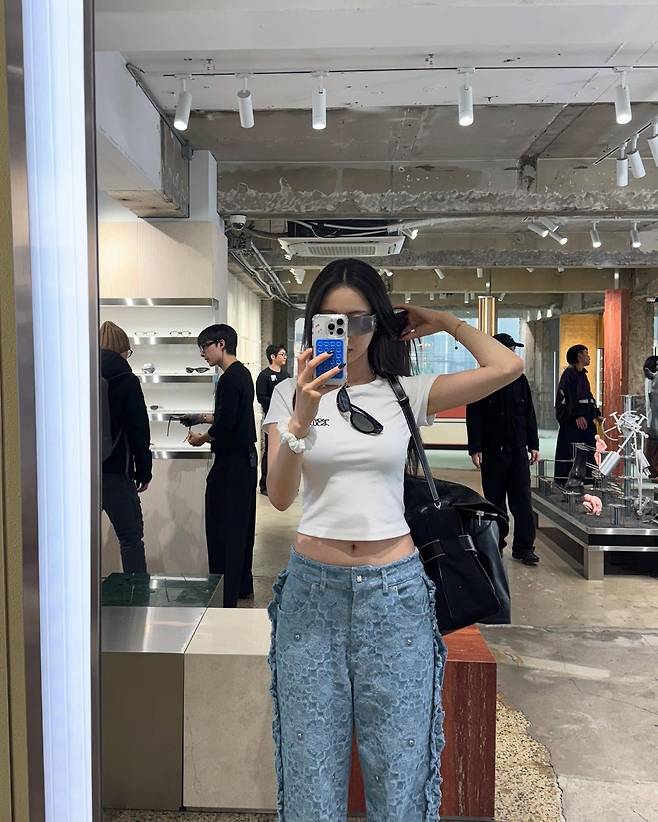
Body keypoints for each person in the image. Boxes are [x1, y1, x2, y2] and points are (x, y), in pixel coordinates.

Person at [262, 258, 522, 822]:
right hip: (312, 597)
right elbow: (279, 495)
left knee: (401, 773)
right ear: (313, 325)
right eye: (332, 321)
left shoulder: (403, 392)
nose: (349, 334)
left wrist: (444, 321)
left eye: (361, 320)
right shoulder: (289, 395)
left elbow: (507, 365)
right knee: (310, 774)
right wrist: (302, 417)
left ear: (380, 322)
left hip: (396, 596)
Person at [181, 324, 257, 608]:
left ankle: (225, 594)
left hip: (231, 464)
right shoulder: (242, 374)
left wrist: (201, 439)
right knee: (241, 527)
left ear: (221, 344)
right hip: (244, 461)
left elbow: (225, 425)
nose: (203, 354)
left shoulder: (228, 379)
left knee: (223, 528)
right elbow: (231, 415)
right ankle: (241, 586)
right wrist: (202, 417)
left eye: (205, 347)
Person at [466, 332, 540, 566]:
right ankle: (495, 545)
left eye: (514, 350)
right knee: (494, 503)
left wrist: (534, 444)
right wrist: (475, 447)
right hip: (492, 452)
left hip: (518, 451)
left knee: (522, 502)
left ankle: (524, 548)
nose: (513, 354)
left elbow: (529, 413)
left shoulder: (520, 380)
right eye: (510, 349)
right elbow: (474, 416)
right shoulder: (483, 379)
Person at [100, 320, 152, 573]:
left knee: (77, 537)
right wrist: (144, 471)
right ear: (123, 349)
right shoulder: (126, 379)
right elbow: (138, 429)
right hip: (115, 470)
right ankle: (136, 592)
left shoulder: (78, 373)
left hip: (79, 473)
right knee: (131, 538)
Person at [554, 344, 602, 485]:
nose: (589, 356)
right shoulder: (569, 375)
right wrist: (576, 416)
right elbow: (568, 398)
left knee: (589, 449)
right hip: (573, 424)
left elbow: (588, 396)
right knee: (573, 451)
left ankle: (588, 478)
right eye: (586, 353)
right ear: (579, 356)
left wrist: (596, 414)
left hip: (586, 422)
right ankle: (569, 480)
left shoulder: (582, 376)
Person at [256, 344, 289, 495]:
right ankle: (265, 484)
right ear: (273, 357)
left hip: (286, 418)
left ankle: (284, 484)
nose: (285, 357)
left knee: (286, 450)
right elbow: (261, 397)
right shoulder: (264, 376)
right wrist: (277, 402)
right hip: (271, 418)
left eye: (285, 354)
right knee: (271, 450)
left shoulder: (286, 375)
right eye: (282, 354)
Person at [643, 355, 658, 477]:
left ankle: (653, 471)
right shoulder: (652, 379)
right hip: (653, 418)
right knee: (653, 447)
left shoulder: (650, 379)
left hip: (652, 418)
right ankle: (654, 470)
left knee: (652, 447)